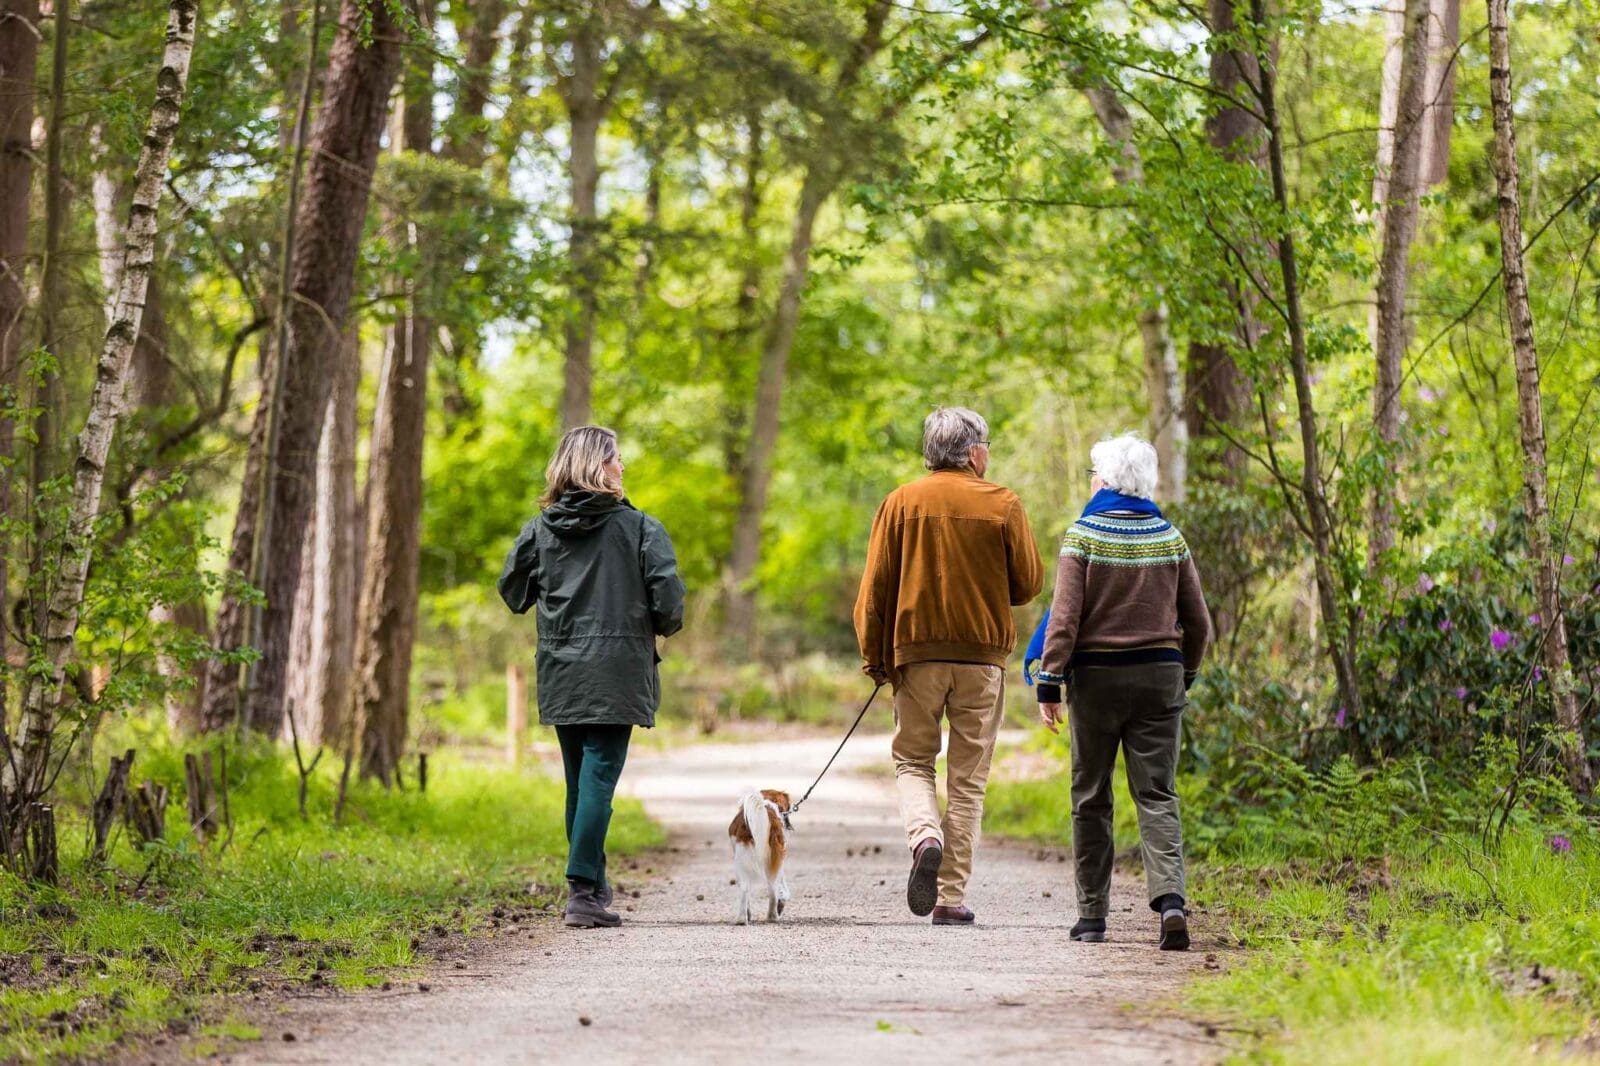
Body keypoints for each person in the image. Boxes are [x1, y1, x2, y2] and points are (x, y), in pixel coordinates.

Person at [854, 407, 1044, 925]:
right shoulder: (1003, 503)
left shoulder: (900, 503)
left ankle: (925, 837)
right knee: (967, 780)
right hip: (981, 661)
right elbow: (1028, 586)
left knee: (914, 762)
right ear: (975, 452)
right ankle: (949, 898)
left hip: (915, 657)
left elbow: (874, 592)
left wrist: (875, 657)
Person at [497, 425, 685, 930]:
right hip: (618, 672)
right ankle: (583, 888)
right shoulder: (642, 528)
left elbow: (513, 591)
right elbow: (669, 605)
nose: (623, 467)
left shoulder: (540, 530)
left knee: (580, 782)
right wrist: (656, 624)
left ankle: (594, 888)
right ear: (597, 467)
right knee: (598, 778)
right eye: (616, 458)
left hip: (562, 668)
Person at [1034, 433, 1211, 951]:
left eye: (1095, 472)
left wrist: (1048, 679)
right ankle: (1171, 904)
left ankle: (1092, 917)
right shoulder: (1169, 537)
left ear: (1106, 480)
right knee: (1157, 794)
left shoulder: (1083, 535)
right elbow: (1199, 622)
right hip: (1160, 677)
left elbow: (1063, 620)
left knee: (1091, 796)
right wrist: (1187, 675)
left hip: (1097, 681)